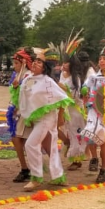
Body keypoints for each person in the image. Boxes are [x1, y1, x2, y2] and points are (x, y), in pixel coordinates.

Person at [18, 50, 74, 191]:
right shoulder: (27, 79)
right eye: (35, 61)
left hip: (47, 118)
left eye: (39, 62)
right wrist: (28, 117)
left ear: (44, 67)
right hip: (36, 119)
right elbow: (25, 100)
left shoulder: (48, 81)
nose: (36, 63)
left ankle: (36, 178)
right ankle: (58, 177)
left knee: (30, 144)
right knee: (51, 148)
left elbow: (62, 98)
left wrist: (60, 117)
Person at [82, 44, 105, 184]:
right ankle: (94, 157)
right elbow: (85, 87)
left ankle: (104, 168)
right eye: (100, 59)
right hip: (93, 111)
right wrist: (85, 93)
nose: (101, 61)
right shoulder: (94, 77)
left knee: (103, 139)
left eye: (104, 58)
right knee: (90, 135)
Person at [7, 47, 34, 182]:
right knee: (18, 138)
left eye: (16, 63)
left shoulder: (28, 76)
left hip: (27, 113)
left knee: (26, 140)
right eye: (14, 63)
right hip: (18, 112)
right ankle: (25, 168)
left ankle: (31, 169)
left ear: (24, 63)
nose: (14, 66)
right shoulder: (16, 76)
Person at [59, 51, 88, 170]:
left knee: (77, 134)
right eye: (64, 62)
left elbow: (75, 96)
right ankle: (74, 157)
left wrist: (63, 87)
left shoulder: (75, 78)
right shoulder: (63, 75)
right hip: (67, 110)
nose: (64, 65)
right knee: (71, 133)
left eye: (67, 63)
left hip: (76, 110)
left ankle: (77, 160)